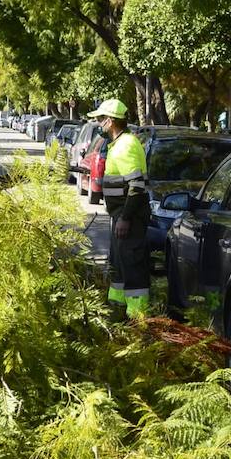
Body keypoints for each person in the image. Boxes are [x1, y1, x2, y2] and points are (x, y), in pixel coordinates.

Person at [86, 99, 150, 320]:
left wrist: (125, 218)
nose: (98, 123)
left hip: (129, 218)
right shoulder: (118, 144)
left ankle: (138, 320)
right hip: (122, 216)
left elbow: (137, 186)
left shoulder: (126, 145)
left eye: (100, 119)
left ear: (110, 121)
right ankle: (117, 313)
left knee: (132, 268)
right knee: (120, 267)